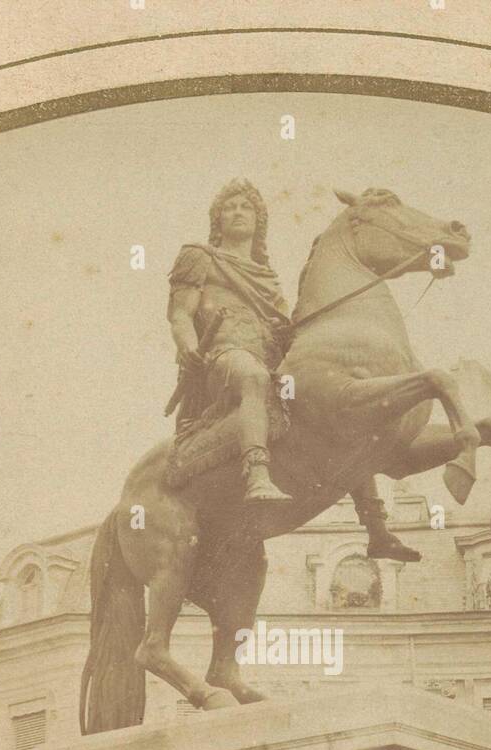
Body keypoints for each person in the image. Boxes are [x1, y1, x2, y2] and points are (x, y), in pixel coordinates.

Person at [167, 179, 420, 560]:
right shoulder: (198, 256)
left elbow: (278, 326)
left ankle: (376, 528)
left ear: (258, 220)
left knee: (338, 412)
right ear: (217, 219)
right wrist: (187, 346)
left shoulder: (267, 276)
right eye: (229, 207)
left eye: (245, 207)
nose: (237, 212)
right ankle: (257, 474)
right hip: (225, 355)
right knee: (252, 378)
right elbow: (180, 314)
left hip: (269, 357)